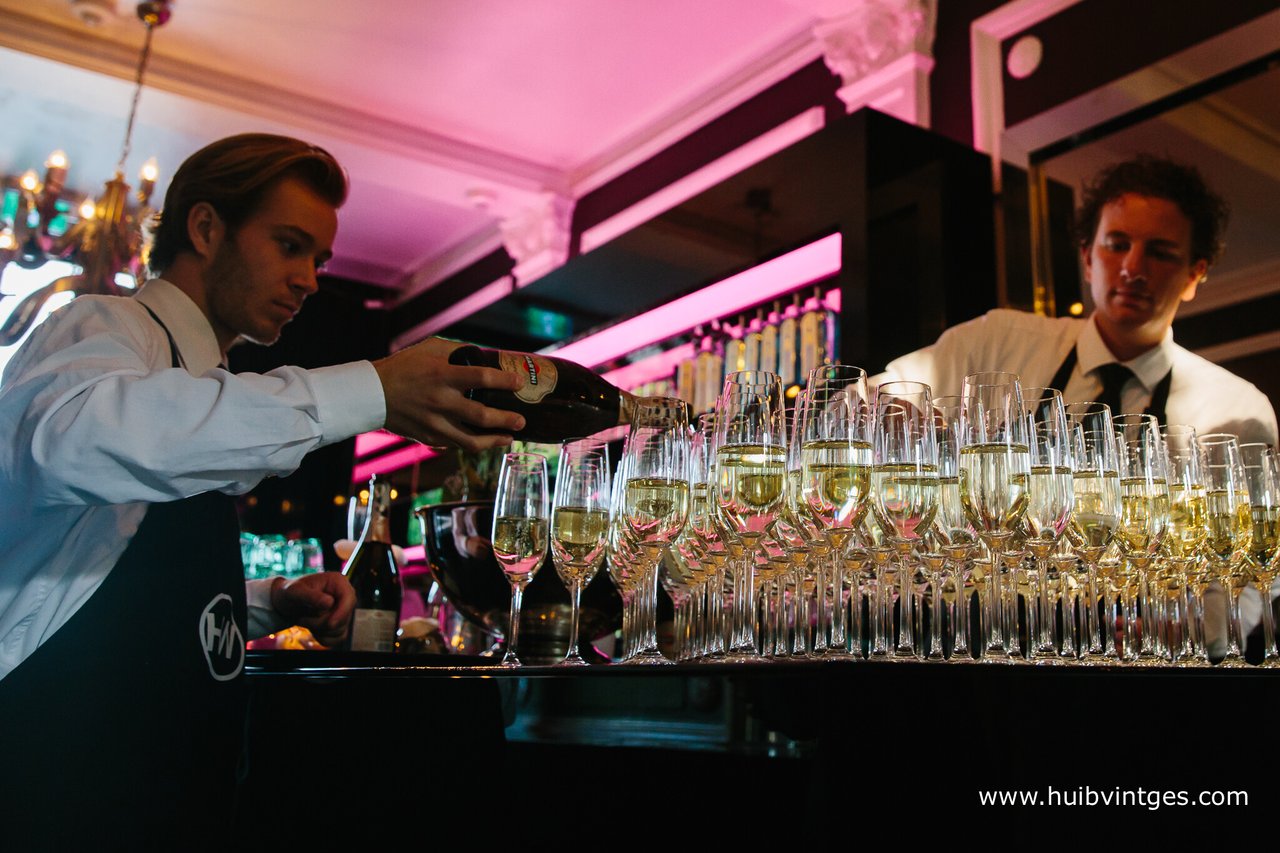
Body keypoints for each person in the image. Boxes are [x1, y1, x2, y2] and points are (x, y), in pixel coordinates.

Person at [0, 133, 526, 843]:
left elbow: (124, 589)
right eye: (289, 245)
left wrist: (267, 602)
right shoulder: (104, 326)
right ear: (205, 228)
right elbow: (70, 444)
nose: (309, 279)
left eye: (319, 260)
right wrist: (369, 389)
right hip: (54, 789)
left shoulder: (208, 398)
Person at [877, 154, 1278, 446]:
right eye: (1117, 245)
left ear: (1193, 275)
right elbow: (868, 396)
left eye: (1160, 252)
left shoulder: (1236, 413)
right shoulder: (997, 342)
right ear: (1087, 260)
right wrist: (896, 414)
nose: (1133, 268)